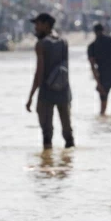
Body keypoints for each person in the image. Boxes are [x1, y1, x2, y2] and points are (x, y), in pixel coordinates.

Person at [25, 12, 74, 150]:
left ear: (46, 25)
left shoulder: (41, 44)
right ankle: (68, 167)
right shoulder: (64, 42)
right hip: (64, 92)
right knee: (68, 132)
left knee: (47, 134)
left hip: (46, 93)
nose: (35, 28)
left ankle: (46, 165)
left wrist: (31, 96)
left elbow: (39, 72)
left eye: (38, 24)